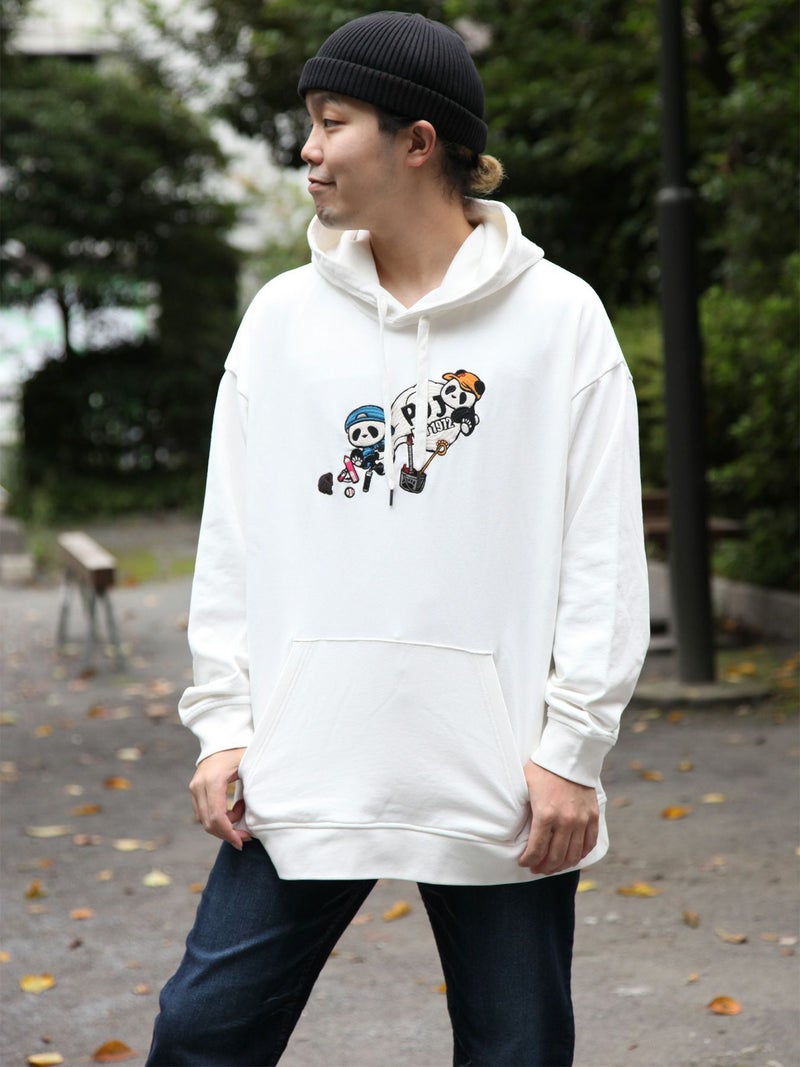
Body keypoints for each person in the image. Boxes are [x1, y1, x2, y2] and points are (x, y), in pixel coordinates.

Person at [147, 11, 649, 1066]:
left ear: (416, 141)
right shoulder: (282, 319)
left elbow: (601, 556)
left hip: (500, 781)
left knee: (516, 1050)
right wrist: (223, 723)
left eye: (332, 122)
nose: (308, 149)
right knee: (200, 1035)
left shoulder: (560, 320)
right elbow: (231, 536)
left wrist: (572, 751)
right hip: (305, 760)